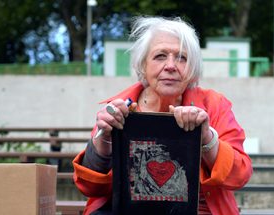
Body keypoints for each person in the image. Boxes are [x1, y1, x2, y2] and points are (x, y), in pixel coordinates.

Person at [73, 16, 253, 215]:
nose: (171, 65)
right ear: (143, 65)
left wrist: (207, 138)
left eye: (181, 58)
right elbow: (90, 188)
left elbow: (240, 175)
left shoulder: (214, 105)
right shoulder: (118, 109)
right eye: (160, 56)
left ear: (192, 70)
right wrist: (104, 141)